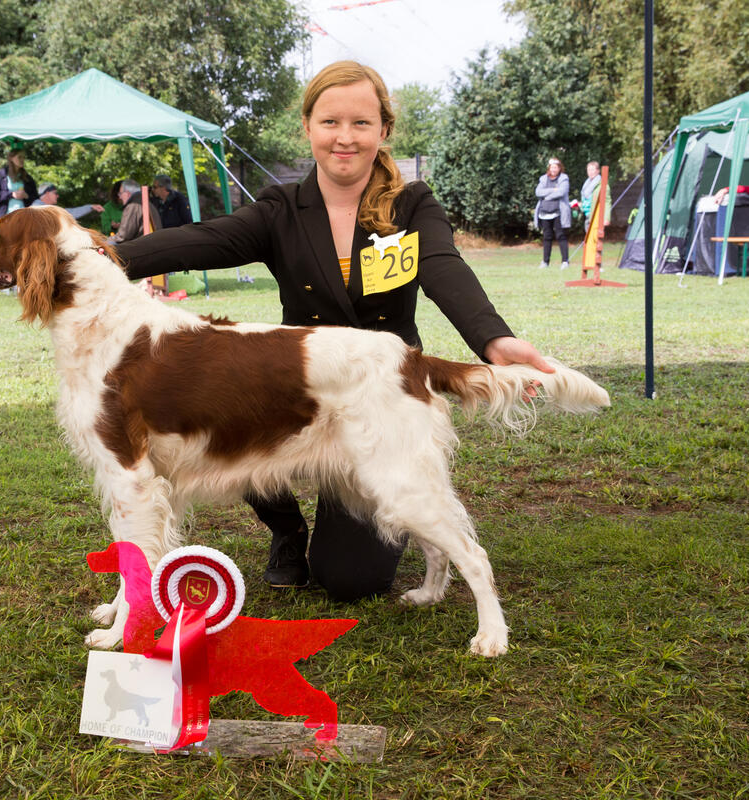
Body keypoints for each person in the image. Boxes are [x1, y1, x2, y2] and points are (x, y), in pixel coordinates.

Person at [115, 60, 553, 602]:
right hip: (297, 394)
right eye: (330, 122)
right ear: (308, 126)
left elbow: (443, 267)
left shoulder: (410, 205)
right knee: (225, 400)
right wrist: (102, 254)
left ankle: (360, 530)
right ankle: (286, 531)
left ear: (384, 130)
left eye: (361, 123)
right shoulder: (281, 208)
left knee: (350, 580)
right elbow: (203, 239)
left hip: (375, 398)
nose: (344, 138)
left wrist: (493, 340)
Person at [533, 158, 571, 269]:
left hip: (558, 213)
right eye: (552, 167)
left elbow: (561, 192)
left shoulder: (564, 179)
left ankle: (565, 261)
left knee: (561, 236)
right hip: (545, 213)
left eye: (556, 167)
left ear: (559, 168)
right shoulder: (543, 179)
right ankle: (545, 262)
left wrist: (546, 196)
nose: (554, 169)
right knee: (547, 237)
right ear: (549, 168)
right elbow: (538, 192)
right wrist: (553, 190)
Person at [0, 148, 38, 220]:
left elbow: (36, 198)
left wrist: (26, 196)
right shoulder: (1, 175)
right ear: (11, 158)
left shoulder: (27, 178)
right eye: (19, 157)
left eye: (24, 157)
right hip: (6, 218)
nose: (22, 160)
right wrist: (11, 195)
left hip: (25, 218)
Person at [112, 179, 163, 243]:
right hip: (152, 245)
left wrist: (105, 241)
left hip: (143, 248)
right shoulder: (146, 204)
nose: (120, 197)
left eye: (120, 193)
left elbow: (122, 237)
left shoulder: (133, 206)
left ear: (127, 193)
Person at [31, 182, 105, 220]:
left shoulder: (48, 209)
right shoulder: (37, 209)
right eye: (55, 193)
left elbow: (71, 213)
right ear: (47, 193)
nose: (58, 196)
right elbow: (70, 213)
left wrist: (91, 207)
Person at [579, 161, 611, 232]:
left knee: (595, 239)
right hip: (587, 215)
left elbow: (607, 202)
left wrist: (606, 218)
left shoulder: (602, 184)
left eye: (592, 170)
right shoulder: (586, 184)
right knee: (589, 239)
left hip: (596, 215)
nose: (591, 172)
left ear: (598, 171)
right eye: (589, 170)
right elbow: (585, 198)